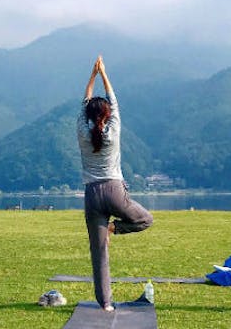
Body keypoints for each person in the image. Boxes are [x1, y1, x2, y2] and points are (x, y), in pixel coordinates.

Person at [77, 55, 153, 311]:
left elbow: (85, 101)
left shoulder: (82, 131)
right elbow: (114, 101)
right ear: (107, 115)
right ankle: (114, 230)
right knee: (145, 219)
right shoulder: (114, 129)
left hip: (92, 194)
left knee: (99, 253)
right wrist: (103, 73)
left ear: (87, 115)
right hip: (114, 190)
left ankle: (106, 304)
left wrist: (92, 75)